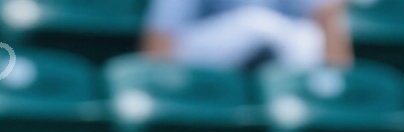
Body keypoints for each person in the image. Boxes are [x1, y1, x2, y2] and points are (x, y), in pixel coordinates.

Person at [141, 0, 351, 69]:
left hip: (283, 62)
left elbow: (338, 62)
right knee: (254, 24)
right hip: (204, 65)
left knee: (305, 35)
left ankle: (300, 103)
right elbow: (159, 44)